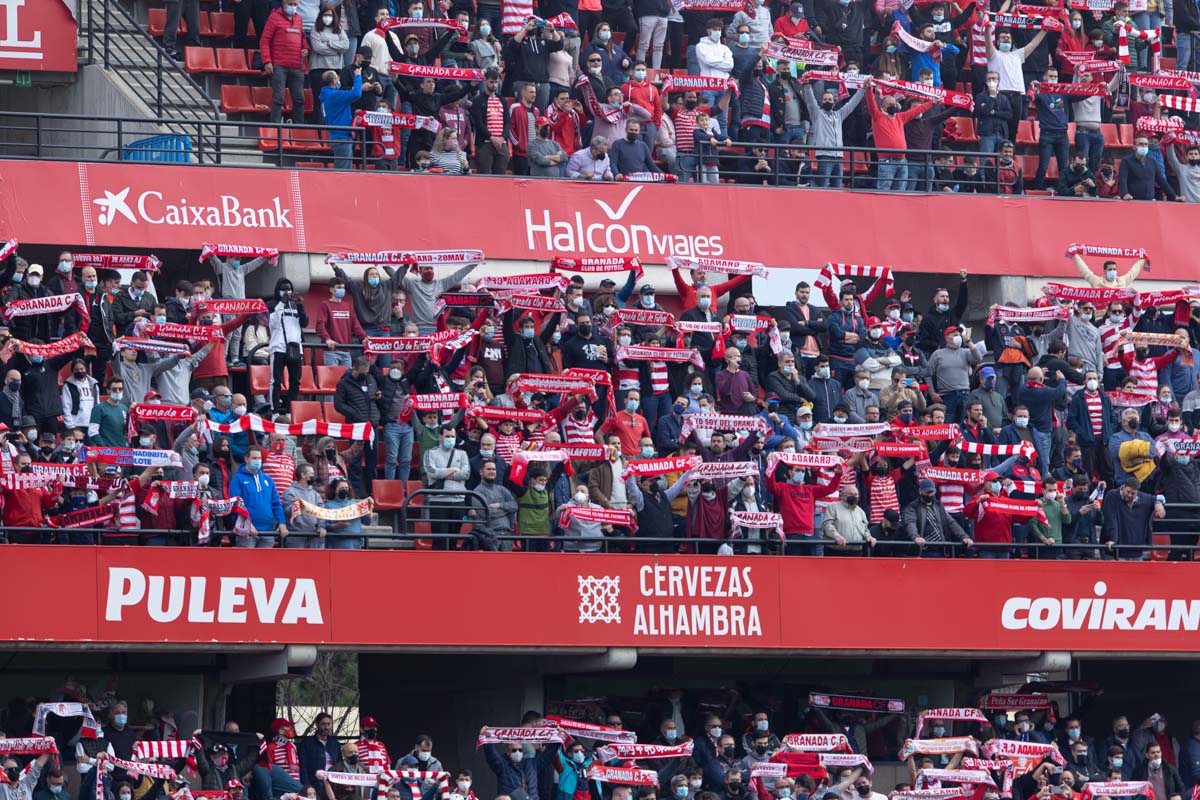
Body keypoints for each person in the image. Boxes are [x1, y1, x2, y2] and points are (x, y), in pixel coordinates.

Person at [229, 444, 289, 548]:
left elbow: (276, 504)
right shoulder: (238, 479)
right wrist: (247, 525)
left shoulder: (268, 480)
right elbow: (235, 505)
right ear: (246, 459)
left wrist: (282, 523)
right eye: (254, 458)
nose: (257, 461)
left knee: (266, 564)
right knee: (247, 563)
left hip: (268, 532)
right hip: (247, 532)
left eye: (259, 458)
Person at [261, 0, 310, 125]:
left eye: (295, 4)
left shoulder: (298, 19)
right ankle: (275, 126)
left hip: (297, 65)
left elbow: (302, 37)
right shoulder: (274, 17)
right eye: (290, 4)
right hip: (279, 65)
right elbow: (264, 40)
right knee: (278, 98)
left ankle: (300, 128)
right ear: (283, 4)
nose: (293, 7)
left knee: (299, 99)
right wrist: (267, 61)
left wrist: (305, 48)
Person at [1102, 477, 1165, 560]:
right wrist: (1112, 539)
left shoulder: (1143, 498)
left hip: (1137, 551)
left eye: (1133, 493)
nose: (1129, 495)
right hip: (1116, 550)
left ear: (1137, 493)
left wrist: (1158, 503)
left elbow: (1160, 498)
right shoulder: (1112, 495)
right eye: (1128, 492)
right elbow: (1111, 519)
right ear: (1123, 487)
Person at [321, 67, 364, 169]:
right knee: (343, 170)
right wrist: (357, 76)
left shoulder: (326, 95)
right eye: (337, 77)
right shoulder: (335, 95)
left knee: (342, 166)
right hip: (342, 135)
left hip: (336, 134)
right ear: (335, 81)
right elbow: (357, 93)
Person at [1121, 135, 1180, 201]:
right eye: (1141, 144)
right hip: (1132, 201)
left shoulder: (1152, 162)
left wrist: (1174, 196)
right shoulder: (1126, 161)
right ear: (1134, 147)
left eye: (1146, 144)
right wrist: (1125, 194)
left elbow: (1162, 181)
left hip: (1149, 202)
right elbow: (1122, 180)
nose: (1143, 146)